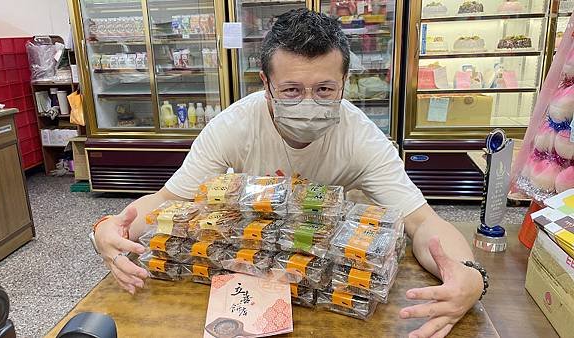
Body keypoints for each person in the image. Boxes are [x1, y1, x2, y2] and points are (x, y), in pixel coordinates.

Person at [90, 9, 486, 338]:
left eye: (326, 90)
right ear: (266, 83)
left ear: (345, 84)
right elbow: (166, 202)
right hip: (250, 267)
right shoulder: (233, 127)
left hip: (333, 276)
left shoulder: (362, 138)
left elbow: (423, 222)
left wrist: (468, 275)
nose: (310, 104)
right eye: (292, 90)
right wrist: (109, 228)